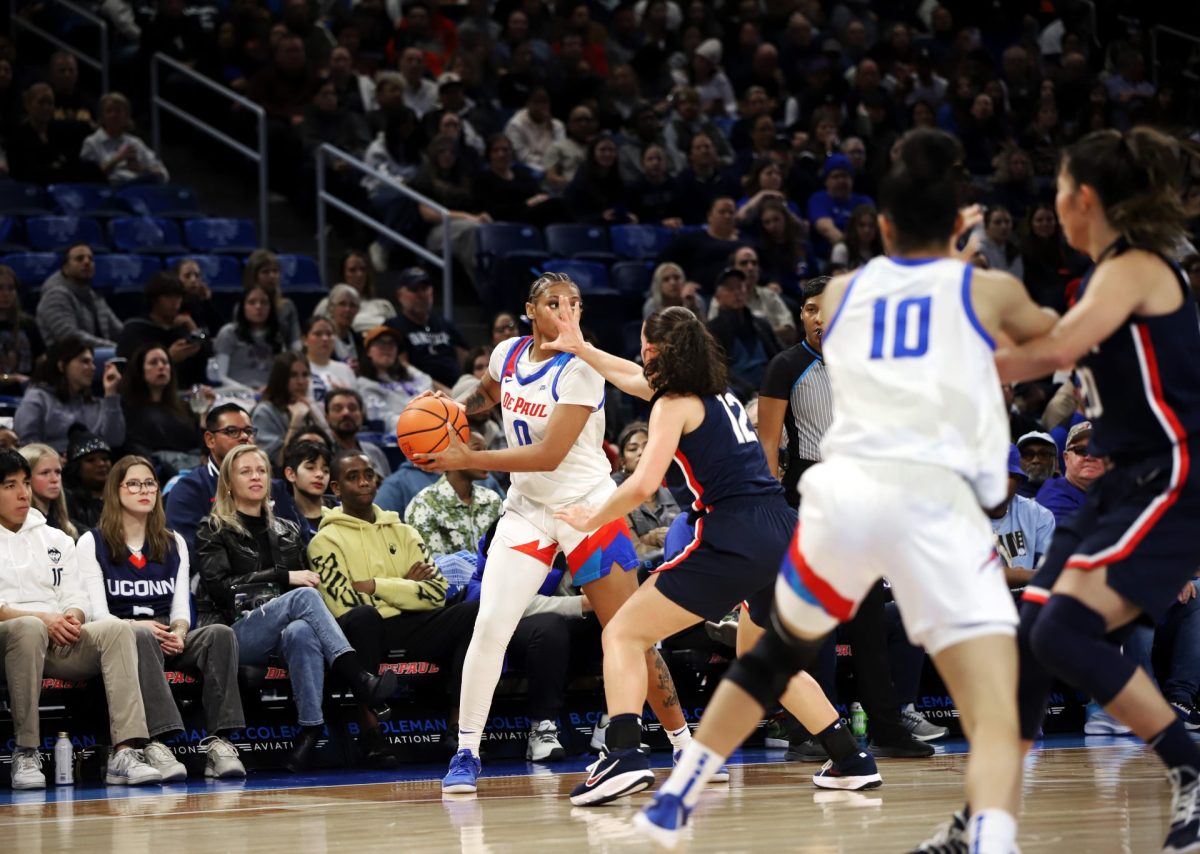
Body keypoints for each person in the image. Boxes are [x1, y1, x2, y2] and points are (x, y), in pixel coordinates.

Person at [639, 128, 1060, 853]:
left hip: (842, 496)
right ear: (956, 221)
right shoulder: (983, 287)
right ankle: (990, 832)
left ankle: (688, 780)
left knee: (773, 649)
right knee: (998, 686)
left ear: (885, 227)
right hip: (929, 499)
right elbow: (1051, 343)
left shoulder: (841, 291)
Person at [548, 304, 879, 805]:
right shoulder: (715, 396)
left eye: (643, 343)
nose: (639, 352)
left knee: (622, 632)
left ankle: (622, 755)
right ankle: (850, 759)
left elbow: (641, 485)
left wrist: (589, 517)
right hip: (784, 531)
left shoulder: (673, 405)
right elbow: (637, 381)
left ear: (657, 349)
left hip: (735, 535)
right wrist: (583, 349)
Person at [998, 127, 1200, 853]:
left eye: (1057, 191)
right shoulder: (1105, 278)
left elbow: (1049, 350)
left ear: (1083, 199)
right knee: (1030, 635)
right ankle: (988, 821)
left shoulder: (1138, 266)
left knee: (1061, 632)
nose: (1052, 205)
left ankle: (1192, 769)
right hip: (1123, 481)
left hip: (1172, 474)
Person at [413, 272, 690, 795]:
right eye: (554, 302)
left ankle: (682, 742)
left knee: (630, 635)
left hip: (588, 508)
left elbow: (549, 454)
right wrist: (451, 408)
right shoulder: (507, 354)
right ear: (530, 311)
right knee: (491, 625)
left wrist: (468, 457)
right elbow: (488, 394)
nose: (567, 310)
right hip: (528, 510)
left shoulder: (582, 370)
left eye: (576, 302)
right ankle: (466, 751)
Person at [194, 444, 397, 772]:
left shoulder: (287, 530)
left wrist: (291, 586)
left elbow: (309, 590)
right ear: (228, 483)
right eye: (245, 472)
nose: (255, 477)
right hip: (235, 632)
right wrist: (282, 577)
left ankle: (311, 730)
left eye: (260, 470)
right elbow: (221, 590)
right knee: (301, 598)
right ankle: (360, 679)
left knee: (303, 629)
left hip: (284, 632)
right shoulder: (212, 528)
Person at [0, 449, 163, 789]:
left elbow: (76, 596)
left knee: (117, 629)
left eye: (26, 483)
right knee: (29, 627)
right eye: (9, 485)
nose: (22, 494)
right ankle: (26, 752)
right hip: (11, 636)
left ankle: (125, 752)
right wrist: (45, 618)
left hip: (58, 637)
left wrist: (71, 617)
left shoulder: (55, 537)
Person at [78, 456, 247, 780]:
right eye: (134, 484)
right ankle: (157, 741)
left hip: (168, 636)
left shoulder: (173, 542)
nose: (144, 490)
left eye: (150, 483)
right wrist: (136, 627)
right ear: (116, 490)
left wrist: (181, 632)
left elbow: (181, 608)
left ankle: (220, 744)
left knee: (219, 634)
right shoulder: (92, 542)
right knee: (139, 637)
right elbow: (98, 614)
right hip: (123, 638)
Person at [308, 450, 481, 767]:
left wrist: (378, 585)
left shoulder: (404, 532)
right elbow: (343, 603)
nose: (364, 482)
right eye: (353, 477)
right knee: (363, 618)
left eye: (368, 474)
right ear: (335, 488)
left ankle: (459, 727)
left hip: (410, 624)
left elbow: (437, 593)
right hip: (361, 633)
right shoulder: (324, 540)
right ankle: (371, 733)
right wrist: (405, 584)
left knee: (472, 612)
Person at [164, 402, 305, 557]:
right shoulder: (188, 489)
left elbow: (300, 541)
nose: (245, 437)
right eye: (232, 431)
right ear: (210, 440)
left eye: (249, 431)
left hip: (283, 576)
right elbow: (190, 552)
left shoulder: (274, 486)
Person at [14, 335, 124, 453]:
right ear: (62, 365)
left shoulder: (96, 403)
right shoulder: (37, 398)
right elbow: (26, 444)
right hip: (51, 467)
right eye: (85, 361)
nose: (93, 367)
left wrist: (111, 394)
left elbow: (114, 441)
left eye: (92, 362)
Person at [405, 432, 503, 556]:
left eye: (486, 449)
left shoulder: (492, 499)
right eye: (477, 449)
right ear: (451, 456)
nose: (485, 456)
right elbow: (433, 567)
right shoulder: (423, 504)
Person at [119, 345, 205, 477]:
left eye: (165, 362)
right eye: (153, 363)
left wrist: (203, 415)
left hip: (196, 468)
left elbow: (200, 443)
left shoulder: (183, 406)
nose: (161, 367)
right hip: (162, 474)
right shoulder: (131, 408)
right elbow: (138, 452)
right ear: (141, 371)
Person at [115, 271, 210, 388]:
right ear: (154, 299)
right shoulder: (135, 329)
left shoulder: (182, 326)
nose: (175, 302)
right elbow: (130, 373)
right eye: (169, 297)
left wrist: (193, 330)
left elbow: (207, 360)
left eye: (178, 297)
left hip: (185, 392)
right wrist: (169, 358)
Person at [384, 267, 469, 388]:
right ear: (399, 295)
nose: (421, 295)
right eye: (414, 290)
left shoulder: (446, 325)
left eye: (424, 289)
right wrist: (442, 391)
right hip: (419, 390)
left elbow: (467, 361)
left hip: (457, 388)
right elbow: (402, 367)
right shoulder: (393, 327)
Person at [990, 446, 1057, 590]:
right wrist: (1024, 576)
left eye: (1003, 473)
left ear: (1018, 480)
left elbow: (1051, 571)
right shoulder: (958, 516)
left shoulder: (1038, 515)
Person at [706, 267, 781, 397]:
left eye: (740, 287)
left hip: (772, 387)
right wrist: (750, 391)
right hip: (739, 394)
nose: (737, 293)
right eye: (730, 289)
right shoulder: (712, 330)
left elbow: (778, 356)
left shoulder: (760, 324)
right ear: (718, 298)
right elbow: (719, 370)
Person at [611, 421, 680, 559]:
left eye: (647, 445)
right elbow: (631, 553)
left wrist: (645, 539)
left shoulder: (675, 495)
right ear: (623, 461)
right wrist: (654, 538)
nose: (641, 452)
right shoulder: (614, 498)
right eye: (632, 449)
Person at [35, 243, 123, 349]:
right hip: (66, 361)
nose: (87, 262)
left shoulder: (93, 295)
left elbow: (118, 331)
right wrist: (115, 348)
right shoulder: (54, 296)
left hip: (97, 358)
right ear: (65, 268)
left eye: (90, 258)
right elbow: (70, 338)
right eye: (79, 259)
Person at [252, 353, 332, 467]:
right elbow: (279, 461)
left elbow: (332, 449)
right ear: (280, 378)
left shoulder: (308, 407)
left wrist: (316, 415)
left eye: (305, 375)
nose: (300, 381)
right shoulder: (264, 412)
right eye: (293, 375)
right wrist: (296, 421)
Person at [80, 91, 169, 185]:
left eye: (118, 111)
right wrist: (117, 159)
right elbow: (88, 177)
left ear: (126, 117)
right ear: (102, 117)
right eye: (109, 111)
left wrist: (142, 169)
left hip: (135, 189)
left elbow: (163, 173)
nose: (114, 115)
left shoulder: (135, 142)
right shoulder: (91, 143)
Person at [356, 325, 436, 429]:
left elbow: (428, 387)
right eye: (381, 343)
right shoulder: (365, 383)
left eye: (392, 344)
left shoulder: (409, 373)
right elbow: (381, 419)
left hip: (431, 423)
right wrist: (420, 421)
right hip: (404, 434)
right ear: (368, 351)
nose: (387, 348)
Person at [213, 286, 291, 392]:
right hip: (234, 393)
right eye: (252, 302)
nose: (258, 307)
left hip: (268, 394)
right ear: (242, 307)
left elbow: (283, 375)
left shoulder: (277, 336)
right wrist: (249, 391)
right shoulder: (228, 333)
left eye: (264, 302)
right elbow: (220, 376)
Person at [311, 250, 397, 333]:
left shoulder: (384, 305)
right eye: (352, 270)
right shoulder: (326, 305)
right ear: (343, 274)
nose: (359, 274)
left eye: (363, 269)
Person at [1034, 421, 1101, 523]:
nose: (1089, 456)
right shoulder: (1054, 495)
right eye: (1080, 450)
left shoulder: (1109, 489)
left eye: (1096, 450)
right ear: (1066, 458)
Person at [325, 388, 391, 478]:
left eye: (352, 408)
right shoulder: (323, 454)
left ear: (362, 415)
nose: (346, 413)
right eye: (338, 409)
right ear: (327, 417)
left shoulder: (375, 452)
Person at [243, 250, 302, 348]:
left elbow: (295, 342)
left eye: (275, 271)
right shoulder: (243, 307)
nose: (272, 276)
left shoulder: (287, 306)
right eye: (265, 272)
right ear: (254, 276)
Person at [19, 443, 79, 540]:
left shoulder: (68, 525)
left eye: (58, 472)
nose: (54, 479)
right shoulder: (18, 527)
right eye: (45, 473)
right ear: (25, 478)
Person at [0, 265, 44, 394]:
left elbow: (41, 361)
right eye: (0, 288)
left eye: (11, 288)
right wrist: (10, 378)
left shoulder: (28, 324)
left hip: (28, 391)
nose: (6, 294)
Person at [283, 439, 334, 537]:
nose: (320, 474)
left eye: (325, 470)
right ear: (291, 474)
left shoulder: (341, 510)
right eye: (310, 468)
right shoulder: (281, 516)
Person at [304, 315, 357, 405]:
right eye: (318, 334)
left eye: (329, 334)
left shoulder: (345, 370)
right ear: (305, 340)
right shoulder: (297, 368)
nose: (325, 339)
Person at [1015, 430, 1060, 498]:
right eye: (1028, 454)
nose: (1036, 460)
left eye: (1044, 454)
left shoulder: (1069, 493)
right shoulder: (1008, 497)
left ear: (1056, 462)